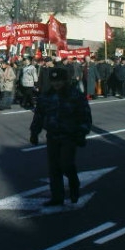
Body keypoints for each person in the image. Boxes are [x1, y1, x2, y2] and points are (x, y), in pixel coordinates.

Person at [29, 67, 92, 206]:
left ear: (66, 80)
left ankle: (74, 183)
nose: (56, 83)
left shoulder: (75, 95)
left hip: (70, 135)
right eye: (54, 81)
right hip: (52, 135)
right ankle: (57, 197)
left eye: (59, 80)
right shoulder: (46, 96)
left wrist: (82, 133)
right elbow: (39, 116)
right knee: (54, 168)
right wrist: (34, 132)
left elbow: (84, 115)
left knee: (66, 164)